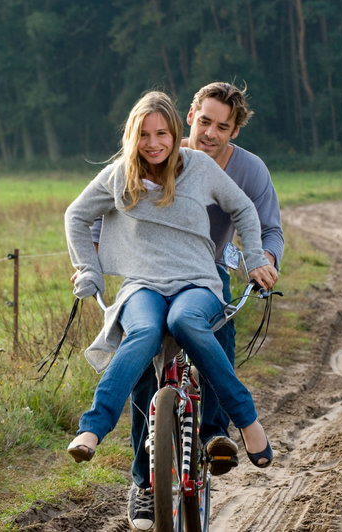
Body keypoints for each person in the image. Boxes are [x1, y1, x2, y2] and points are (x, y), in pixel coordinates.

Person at [64, 90, 277, 530]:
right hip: (143, 284)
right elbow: (76, 216)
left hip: (197, 280)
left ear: (174, 132)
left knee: (187, 322)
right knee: (141, 335)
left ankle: (242, 422)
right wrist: (89, 269)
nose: (154, 142)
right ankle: (94, 429)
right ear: (133, 135)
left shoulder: (198, 167)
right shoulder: (120, 175)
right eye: (144, 134)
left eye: (161, 133)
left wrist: (256, 257)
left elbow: (247, 210)